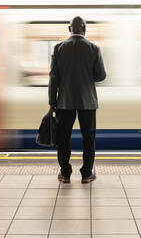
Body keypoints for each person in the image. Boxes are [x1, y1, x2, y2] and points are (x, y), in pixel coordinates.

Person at [48, 16, 106, 183]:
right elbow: (101, 76)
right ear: (85, 29)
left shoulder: (58, 48)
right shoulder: (94, 49)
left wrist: (52, 101)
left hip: (64, 102)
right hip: (87, 101)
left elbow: (53, 78)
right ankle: (87, 173)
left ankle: (65, 173)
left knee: (63, 138)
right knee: (88, 138)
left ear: (69, 29)